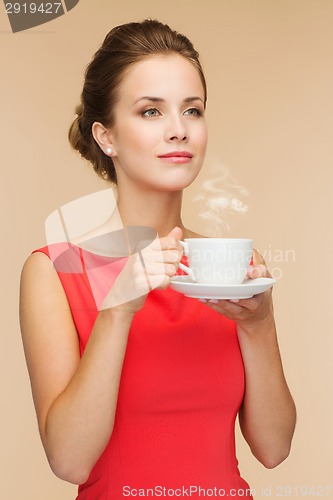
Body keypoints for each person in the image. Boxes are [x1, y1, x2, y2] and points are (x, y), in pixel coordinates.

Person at [19, 19, 296, 499]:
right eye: (151, 112)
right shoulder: (53, 272)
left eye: (192, 110)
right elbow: (69, 460)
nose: (178, 130)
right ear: (106, 137)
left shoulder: (231, 267)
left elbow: (274, 447)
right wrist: (117, 310)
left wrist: (260, 324)